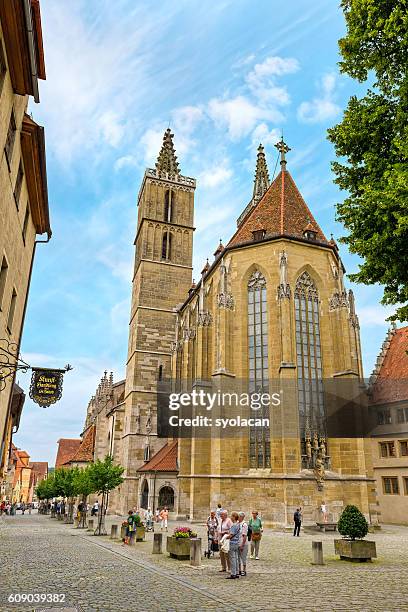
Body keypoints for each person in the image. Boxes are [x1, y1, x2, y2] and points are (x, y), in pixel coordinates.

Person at [225, 512, 241, 579]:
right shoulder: (238, 524)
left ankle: (233, 573)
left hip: (232, 543)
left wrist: (226, 537)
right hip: (236, 543)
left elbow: (231, 535)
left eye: (231, 516)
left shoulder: (234, 525)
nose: (230, 518)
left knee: (232, 559)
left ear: (234, 517)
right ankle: (237, 572)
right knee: (236, 558)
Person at [238, 511, 248, 576]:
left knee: (243, 557)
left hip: (243, 543)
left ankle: (244, 570)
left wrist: (242, 545)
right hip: (237, 543)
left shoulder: (244, 524)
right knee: (238, 557)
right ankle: (239, 570)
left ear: (241, 517)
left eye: (238, 516)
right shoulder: (237, 523)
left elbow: (244, 536)